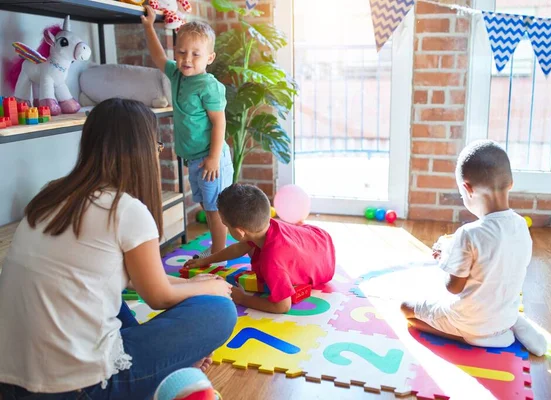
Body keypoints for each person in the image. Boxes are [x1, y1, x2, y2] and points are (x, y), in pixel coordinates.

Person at [0, 99, 237, 400]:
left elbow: (133, 280)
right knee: (219, 310)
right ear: (140, 150)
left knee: (111, 299)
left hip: (11, 382)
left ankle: (162, 365)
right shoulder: (126, 210)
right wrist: (210, 290)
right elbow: (158, 295)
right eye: (156, 144)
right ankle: (161, 372)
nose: (158, 151)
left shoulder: (52, 196)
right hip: (78, 388)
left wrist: (195, 285)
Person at [400, 140, 547, 356]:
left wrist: (445, 260)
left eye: (461, 194)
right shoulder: (521, 226)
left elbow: (453, 288)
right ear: (510, 183)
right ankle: (513, 324)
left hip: (473, 321)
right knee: (495, 299)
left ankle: (473, 336)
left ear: (468, 189)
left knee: (406, 309)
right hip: (504, 313)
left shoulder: (469, 233)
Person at [142, 6, 232, 263]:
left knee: (215, 208)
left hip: (210, 158)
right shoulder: (178, 76)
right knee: (207, 204)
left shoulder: (208, 85)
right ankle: (218, 248)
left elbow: (219, 123)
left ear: (210, 57)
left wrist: (214, 158)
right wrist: (149, 26)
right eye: (181, 52)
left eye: (195, 54)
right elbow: (159, 58)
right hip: (195, 159)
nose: (187, 59)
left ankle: (219, 254)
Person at [183, 183, 336, 314]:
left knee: (263, 259)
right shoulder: (268, 225)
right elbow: (239, 248)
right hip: (321, 239)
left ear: (240, 231)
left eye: (226, 225)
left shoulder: (271, 262)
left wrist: (241, 297)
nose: (226, 228)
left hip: (324, 270)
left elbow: (283, 306)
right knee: (252, 246)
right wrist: (206, 260)